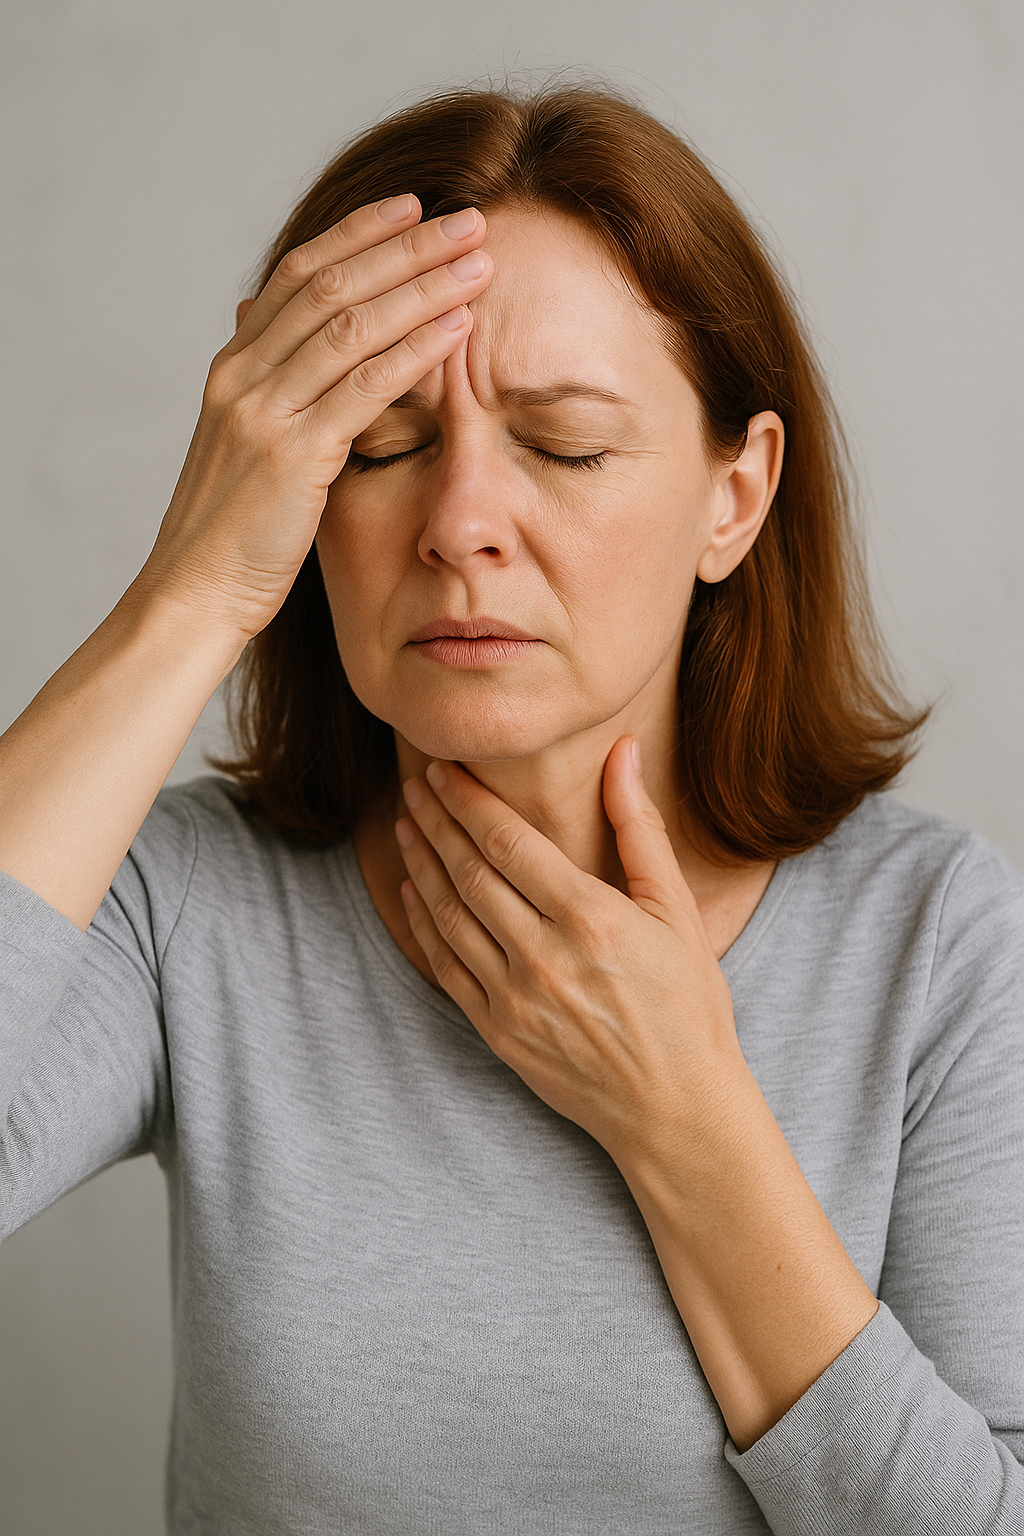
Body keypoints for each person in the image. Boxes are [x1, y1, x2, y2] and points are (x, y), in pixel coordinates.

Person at [0, 80, 1021, 1534]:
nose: (462, 519)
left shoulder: (938, 942)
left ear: (735, 495)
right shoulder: (195, 908)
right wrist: (191, 596)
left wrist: (686, 1121)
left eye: (565, 444)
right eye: (379, 445)